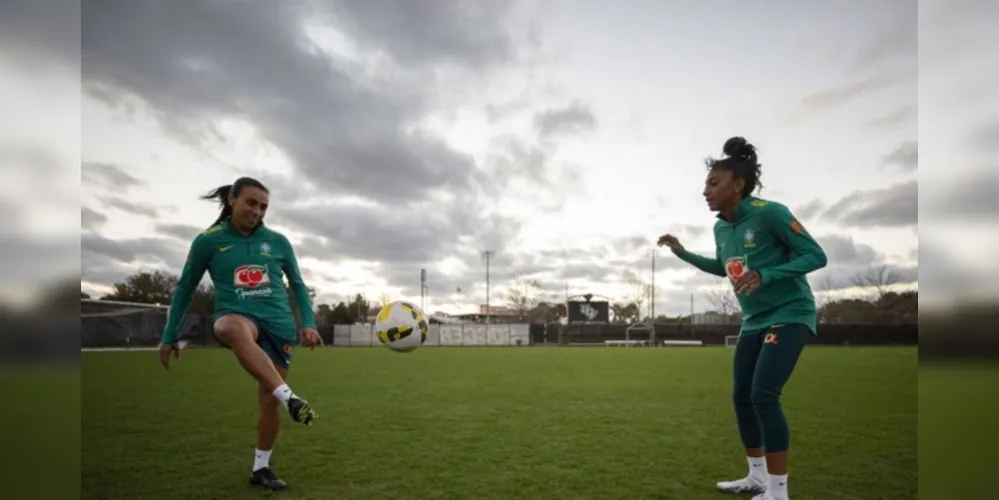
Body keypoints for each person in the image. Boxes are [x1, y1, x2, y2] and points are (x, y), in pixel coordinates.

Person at [657, 137, 827, 500]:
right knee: (741, 397)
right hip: (753, 320)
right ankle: (756, 477)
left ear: (739, 185)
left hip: (790, 313)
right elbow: (724, 268)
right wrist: (681, 252)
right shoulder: (721, 228)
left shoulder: (771, 213)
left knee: (764, 394)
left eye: (713, 183)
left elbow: (816, 255)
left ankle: (778, 493)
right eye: (705, 184)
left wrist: (768, 275)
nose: (706, 191)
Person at [157, 176, 323, 491]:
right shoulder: (208, 241)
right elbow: (185, 288)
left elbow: (298, 285)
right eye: (251, 202)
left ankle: (261, 468)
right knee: (233, 328)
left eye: (263, 206)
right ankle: (291, 398)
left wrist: (309, 323)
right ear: (232, 199)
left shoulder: (278, 242)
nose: (257, 211)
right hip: (235, 315)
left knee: (267, 397)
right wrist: (168, 335)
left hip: (278, 325)